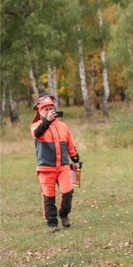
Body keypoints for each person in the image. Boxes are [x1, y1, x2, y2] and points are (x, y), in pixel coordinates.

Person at [30, 92, 81, 233]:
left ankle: (64, 214)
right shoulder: (36, 126)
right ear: (39, 111)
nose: (49, 111)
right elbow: (38, 134)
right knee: (48, 196)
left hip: (63, 166)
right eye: (45, 109)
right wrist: (47, 121)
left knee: (68, 191)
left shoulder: (63, 126)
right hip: (46, 168)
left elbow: (70, 144)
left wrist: (75, 159)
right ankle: (52, 222)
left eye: (50, 108)